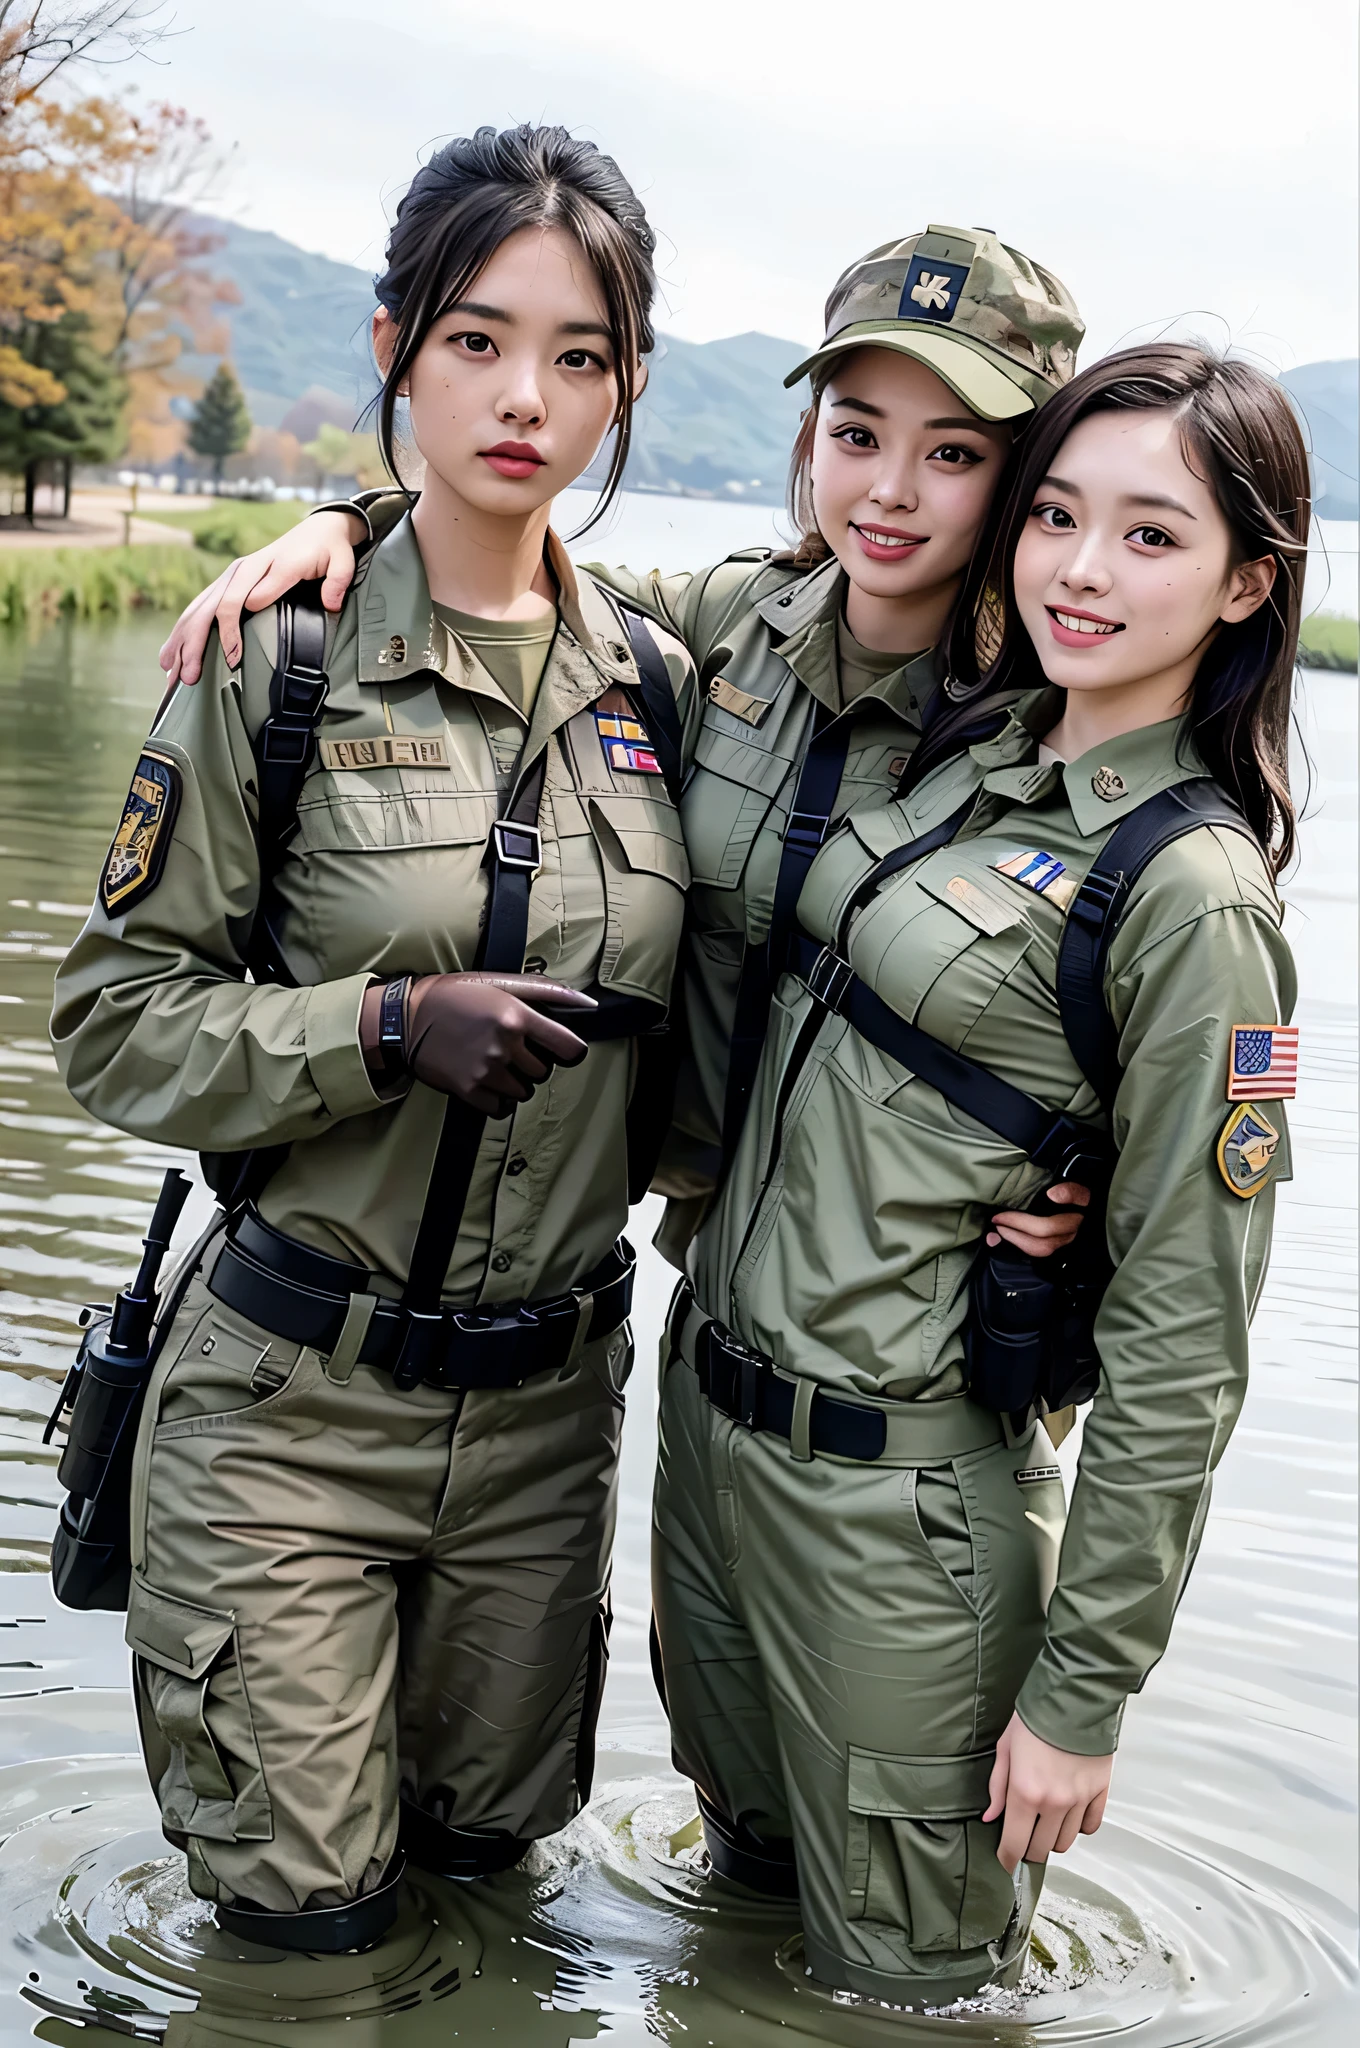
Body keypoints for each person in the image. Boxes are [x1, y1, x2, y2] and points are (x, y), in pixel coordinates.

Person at [49, 122, 701, 1952]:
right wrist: (385, 1021)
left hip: (547, 1423)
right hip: (286, 1412)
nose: (528, 399)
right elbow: (110, 1026)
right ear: (397, 343)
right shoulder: (277, 666)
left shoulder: (665, 680)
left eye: (583, 357)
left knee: (494, 1898)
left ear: (626, 385)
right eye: (480, 340)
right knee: (303, 1934)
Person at [651, 342, 1306, 2004]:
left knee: (914, 1999)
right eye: (1060, 516)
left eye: (1152, 536)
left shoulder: (1197, 893)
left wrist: (1085, 1691)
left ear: (1247, 582)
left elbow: (1187, 1337)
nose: (1084, 569)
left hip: (902, 1525)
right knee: (729, 1938)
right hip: (719, 1456)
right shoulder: (965, 749)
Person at [160, 225, 1094, 1278]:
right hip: (699, 1314)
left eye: (956, 454)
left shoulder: (1060, 720)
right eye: (857, 434)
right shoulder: (721, 626)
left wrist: (1091, 1196)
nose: (890, 490)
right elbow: (502, 575)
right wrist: (350, 523)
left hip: (913, 1335)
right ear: (811, 434)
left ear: (1026, 478)